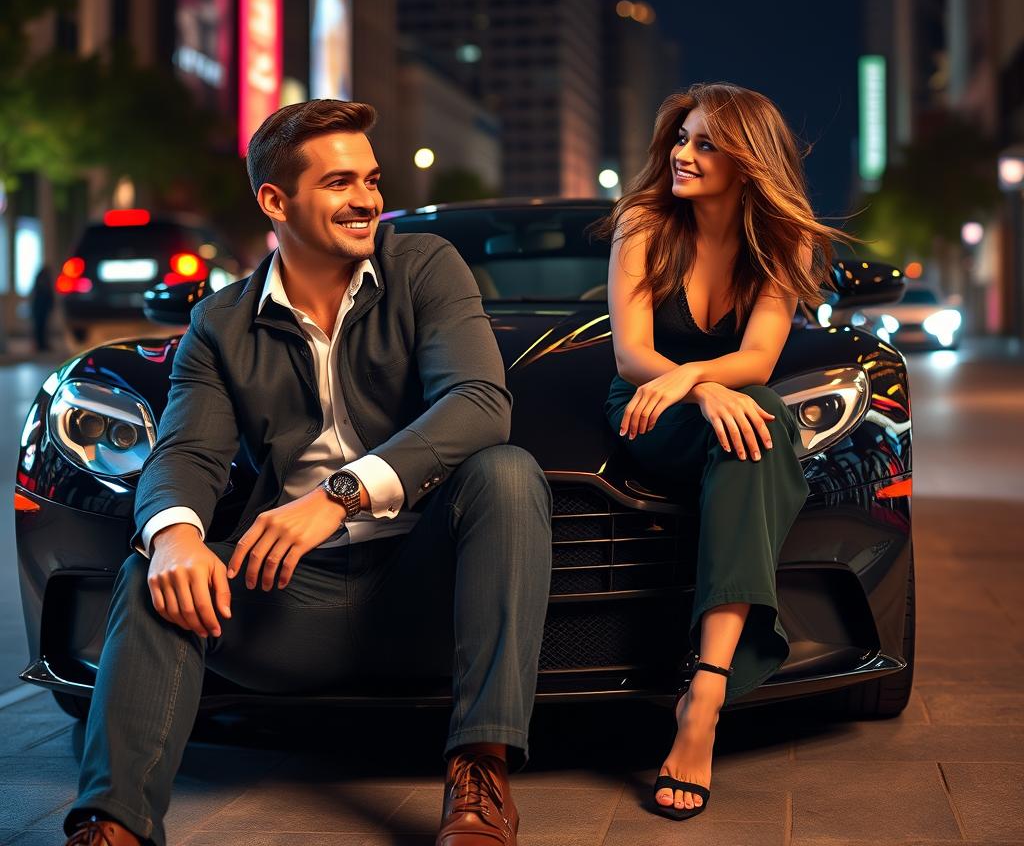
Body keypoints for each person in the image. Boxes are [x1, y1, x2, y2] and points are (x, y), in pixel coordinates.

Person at [63, 100, 552, 846]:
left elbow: (480, 402)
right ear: (275, 200)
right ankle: (114, 825)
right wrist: (173, 538)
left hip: (426, 591)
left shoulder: (423, 267)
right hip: (288, 605)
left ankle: (478, 776)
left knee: (507, 473)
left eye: (372, 180)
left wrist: (340, 493)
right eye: (339, 183)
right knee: (156, 567)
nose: (367, 201)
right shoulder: (220, 324)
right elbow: (187, 454)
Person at [596, 82, 854, 822]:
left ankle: (703, 695)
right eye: (682, 137)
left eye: (705, 143)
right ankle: (712, 686)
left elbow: (761, 359)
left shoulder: (781, 238)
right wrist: (698, 389)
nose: (682, 153)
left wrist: (706, 385)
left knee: (758, 418)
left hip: (730, 410)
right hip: (648, 412)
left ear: (748, 160)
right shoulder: (644, 221)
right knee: (753, 418)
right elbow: (631, 354)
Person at [30, 263, 55, 351]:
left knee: (43, 327)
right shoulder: (42, 280)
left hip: (42, 307)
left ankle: (42, 344)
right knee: (39, 326)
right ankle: (40, 345)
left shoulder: (43, 280)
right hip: (40, 307)